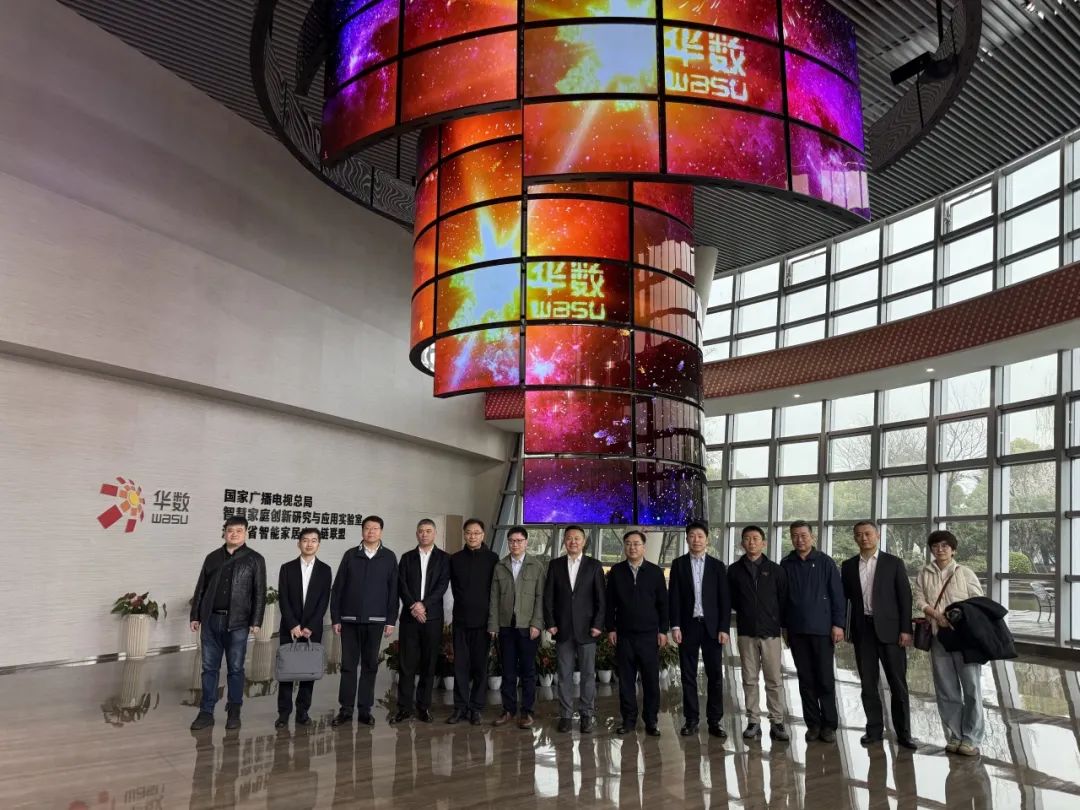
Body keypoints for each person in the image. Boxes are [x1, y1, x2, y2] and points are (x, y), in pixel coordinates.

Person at [841, 520, 918, 749]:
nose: (863, 538)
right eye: (858, 534)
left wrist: (906, 629)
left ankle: (904, 733)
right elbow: (845, 600)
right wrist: (845, 628)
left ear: (877, 536)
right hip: (862, 630)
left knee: (897, 684)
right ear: (855, 538)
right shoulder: (848, 566)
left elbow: (905, 598)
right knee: (868, 684)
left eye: (867, 533)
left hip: (891, 631)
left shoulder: (893, 563)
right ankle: (873, 730)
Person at [189, 515, 266, 731]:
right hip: (211, 620)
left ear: (246, 533)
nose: (234, 534)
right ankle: (206, 712)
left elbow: (259, 592)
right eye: (230, 530)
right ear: (224, 532)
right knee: (209, 668)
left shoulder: (255, 559)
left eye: (239, 531)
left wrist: (256, 620)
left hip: (238, 623)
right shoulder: (212, 557)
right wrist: (195, 615)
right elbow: (201, 588)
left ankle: (234, 711)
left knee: (236, 668)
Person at [914, 529, 986, 756]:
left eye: (945, 546)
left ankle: (971, 737)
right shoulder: (924, 573)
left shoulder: (965, 573)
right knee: (946, 688)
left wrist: (955, 616)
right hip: (938, 637)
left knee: (971, 688)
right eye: (936, 546)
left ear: (953, 550)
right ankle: (955, 734)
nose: (940, 549)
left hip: (963, 638)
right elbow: (919, 599)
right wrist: (936, 615)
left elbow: (977, 602)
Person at [330, 515, 398, 726]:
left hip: (376, 621)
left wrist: (391, 620)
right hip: (349, 620)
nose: (371, 532)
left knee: (370, 666)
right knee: (348, 666)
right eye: (367, 528)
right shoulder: (351, 555)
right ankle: (345, 710)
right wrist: (336, 617)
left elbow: (393, 591)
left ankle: (365, 710)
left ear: (381, 531)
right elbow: (338, 588)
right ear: (362, 531)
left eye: (375, 528)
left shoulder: (389, 557)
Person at [780, 521, 844, 744]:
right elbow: (782, 600)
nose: (799, 540)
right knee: (805, 679)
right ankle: (813, 724)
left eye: (803, 535)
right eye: (795, 536)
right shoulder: (786, 564)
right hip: (797, 630)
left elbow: (837, 596)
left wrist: (838, 624)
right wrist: (784, 627)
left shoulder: (825, 562)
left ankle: (829, 725)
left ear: (812, 537)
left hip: (822, 630)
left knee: (824, 678)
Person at [669, 520, 731, 739]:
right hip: (688, 627)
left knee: (715, 675)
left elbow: (724, 600)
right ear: (687, 539)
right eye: (692, 536)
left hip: (712, 628)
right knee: (688, 675)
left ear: (707, 540)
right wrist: (675, 625)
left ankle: (715, 721)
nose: (696, 540)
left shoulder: (717, 566)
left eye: (700, 536)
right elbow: (674, 597)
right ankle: (691, 720)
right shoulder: (678, 564)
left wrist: (724, 627)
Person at [728, 524, 790, 742]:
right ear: (742, 543)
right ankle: (753, 721)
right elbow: (731, 599)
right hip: (746, 632)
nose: (751, 542)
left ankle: (777, 721)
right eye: (747, 538)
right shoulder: (734, 570)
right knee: (749, 679)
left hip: (771, 633)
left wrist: (778, 624)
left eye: (755, 538)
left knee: (774, 679)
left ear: (764, 543)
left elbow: (783, 600)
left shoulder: (776, 570)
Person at [543, 524, 606, 733]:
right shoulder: (555, 565)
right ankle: (566, 716)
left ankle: (587, 715)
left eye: (577, 538)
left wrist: (598, 625)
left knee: (588, 675)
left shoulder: (594, 565)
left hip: (588, 630)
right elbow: (548, 597)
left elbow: (601, 599)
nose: (573, 542)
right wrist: (550, 623)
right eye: (569, 538)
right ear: (564, 541)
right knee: (564, 675)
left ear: (584, 541)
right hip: (562, 629)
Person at [606, 529, 669, 736]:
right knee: (626, 681)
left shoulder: (655, 572)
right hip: (624, 635)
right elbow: (610, 603)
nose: (632, 547)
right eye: (628, 544)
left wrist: (663, 630)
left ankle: (651, 721)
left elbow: (663, 604)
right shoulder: (616, 571)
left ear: (643, 547)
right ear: (624, 547)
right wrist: (611, 628)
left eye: (636, 543)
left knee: (651, 681)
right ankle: (628, 720)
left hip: (649, 635)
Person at [392, 518, 450, 724]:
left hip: (432, 618)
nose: (424, 534)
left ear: (434, 533)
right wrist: (414, 606)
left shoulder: (444, 558)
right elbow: (402, 585)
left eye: (428, 531)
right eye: (421, 531)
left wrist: (424, 605)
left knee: (429, 663)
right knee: (406, 664)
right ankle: (404, 708)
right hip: (410, 618)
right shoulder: (407, 557)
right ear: (416, 534)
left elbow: (442, 586)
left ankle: (423, 707)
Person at [488, 525, 546, 729]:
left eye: (519, 541)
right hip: (506, 626)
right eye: (512, 541)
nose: (515, 544)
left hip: (527, 627)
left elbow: (541, 598)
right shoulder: (500, 566)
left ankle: (527, 712)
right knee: (508, 670)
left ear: (526, 542)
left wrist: (537, 623)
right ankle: (508, 710)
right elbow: (494, 598)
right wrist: (493, 624)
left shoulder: (536, 566)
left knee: (528, 671)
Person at [275, 527, 332, 729]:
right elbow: (283, 598)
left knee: (309, 672)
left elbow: (323, 601)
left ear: (318, 544)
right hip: (289, 628)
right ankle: (283, 714)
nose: (309, 544)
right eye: (305, 540)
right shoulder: (287, 568)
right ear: (298, 543)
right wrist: (293, 624)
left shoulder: (325, 570)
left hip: (312, 629)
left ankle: (302, 712)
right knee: (286, 672)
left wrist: (311, 626)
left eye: (314, 540)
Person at [446, 518, 499, 725]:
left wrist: (494, 622)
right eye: (468, 532)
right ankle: (460, 707)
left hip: (483, 622)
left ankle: (476, 708)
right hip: (460, 620)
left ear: (483, 535)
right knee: (460, 666)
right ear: (464, 534)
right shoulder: (455, 559)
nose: (472, 536)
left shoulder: (493, 559)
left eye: (476, 533)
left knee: (480, 667)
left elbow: (495, 592)